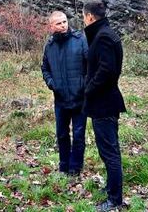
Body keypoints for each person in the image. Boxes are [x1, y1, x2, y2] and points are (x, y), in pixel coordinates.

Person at [82, 0, 126, 211]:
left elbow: (107, 71)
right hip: (104, 102)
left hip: (104, 103)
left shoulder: (104, 37)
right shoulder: (104, 34)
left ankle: (114, 200)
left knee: (110, 152)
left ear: (90, 17)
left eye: (83, 17)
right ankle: (112, 190)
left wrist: (89, 88)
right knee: (108, 150)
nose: (84, 20)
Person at [41, 11, 88, 176]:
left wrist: (83, 85)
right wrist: (51, 83)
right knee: (61, 134)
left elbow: (90, 65)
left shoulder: (80, 40)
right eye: (59, 23)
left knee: (78, 134)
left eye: (65, 22)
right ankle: (64, 166)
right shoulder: (50, 46)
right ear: (51, 26)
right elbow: (45, 68)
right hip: (60, 99)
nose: (63, 25)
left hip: (79, 98)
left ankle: (75, 168)